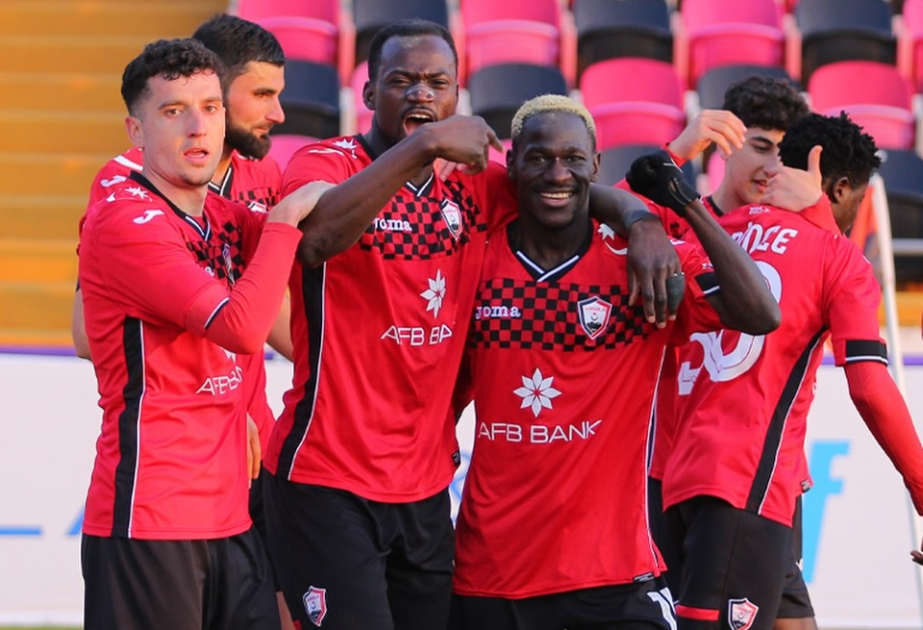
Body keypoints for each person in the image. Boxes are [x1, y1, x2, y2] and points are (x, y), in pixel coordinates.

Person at [261, 19, 680, 630]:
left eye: (438, 83)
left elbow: (560, 183)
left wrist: (640, 221)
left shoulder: (475, 184)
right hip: (326, 476)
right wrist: (425, 145)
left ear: (458, 94)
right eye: (401, 81)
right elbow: (316, 239)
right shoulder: (324, 162)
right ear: (369, 92)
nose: (421, 94)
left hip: (426, 486)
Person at [449, 94, 780, 630]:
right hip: (491, 574)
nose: (557, 173)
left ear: (596, 165)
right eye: (539, 158)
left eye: (573, 159)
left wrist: (683, 207)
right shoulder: (476, 260)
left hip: (614, 577)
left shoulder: (641, 263)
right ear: (512, 165)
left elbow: (760, 313)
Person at [77, 38, 328, 629]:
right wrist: (286, 220)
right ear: (136, 132)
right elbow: (242, 328)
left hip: (232, 514)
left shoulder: (217, 210)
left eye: (210, 108)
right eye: (174, 111)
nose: (198, 127)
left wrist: (409, 162)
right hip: (151, 519)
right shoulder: (125, 214)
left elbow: (319, 238)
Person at [657, 112, 923, 630]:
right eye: (856, 201)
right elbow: (869, 387)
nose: (854, 217)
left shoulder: (718, 229)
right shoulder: (839, 258)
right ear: (839, 188)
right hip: (748, 484)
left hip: (687, 474)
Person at [624, 74, 815, 630]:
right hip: (672, 475)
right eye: (760, 146)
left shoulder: (805, 240)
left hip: (772, 478)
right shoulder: (672, 222)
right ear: (726, 144)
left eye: (785, 154)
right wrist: (678, 150)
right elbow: (601, 231)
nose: (772, 166)